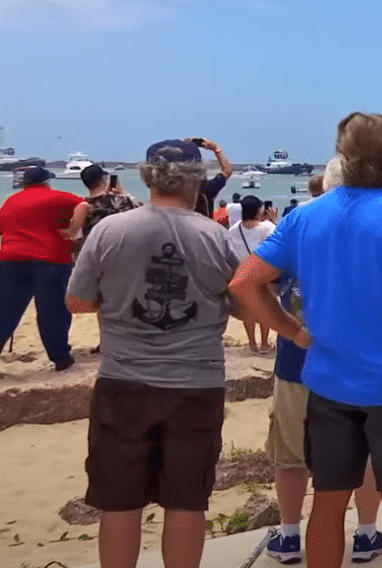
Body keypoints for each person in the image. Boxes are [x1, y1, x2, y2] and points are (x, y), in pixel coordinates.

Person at [228, 112, 382, 568]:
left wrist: (292, 331)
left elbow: (244, 283)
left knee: (327, 503)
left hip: (327, 381)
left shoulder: (305, 219)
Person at [64, 140, 246, 568]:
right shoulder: (214, 236)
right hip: (196, 385)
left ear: (147, 177)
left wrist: (119, 302)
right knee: (186, 502)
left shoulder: (110, 231)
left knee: (119, 502)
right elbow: (240, 304)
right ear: (197, 179)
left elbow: (76, 301)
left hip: (123, 382)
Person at [262, 161, 382, 565]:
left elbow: (255, 283)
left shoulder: (296, 224)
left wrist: (285, 327)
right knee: (364, 452)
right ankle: (366, 533)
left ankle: (290, 535)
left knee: (291, 454)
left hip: (300, 360)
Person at [0, 166, 85, 371]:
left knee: (6, 309)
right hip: (50, 258)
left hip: (11, 257)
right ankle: (60, 358)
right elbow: (84, 205)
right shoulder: (56, 197)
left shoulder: (11, 200)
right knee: (52, 310)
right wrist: (72, 230)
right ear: (46, 182)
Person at [224, 195, 277, 354]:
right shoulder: (266, 227)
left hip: (241, 273)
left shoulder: (234, 229)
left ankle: (252, 343)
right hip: (262, 274)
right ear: (259, 211)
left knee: (247, 309)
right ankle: (264, 344)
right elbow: (278, 242)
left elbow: (230, 252)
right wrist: (273, 220)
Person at [70, 164, 142, 246]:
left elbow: (73, 233)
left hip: (93, 249)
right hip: (120, 247)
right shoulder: (121, 201)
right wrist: (123, 193)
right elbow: (141, 211)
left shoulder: (83, 206)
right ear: (103, 179)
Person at [190, 138, 234, 218]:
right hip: (204, 227)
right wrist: (216, 149)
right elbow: (227, 171)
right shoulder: (207, 188)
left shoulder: (174, 186)